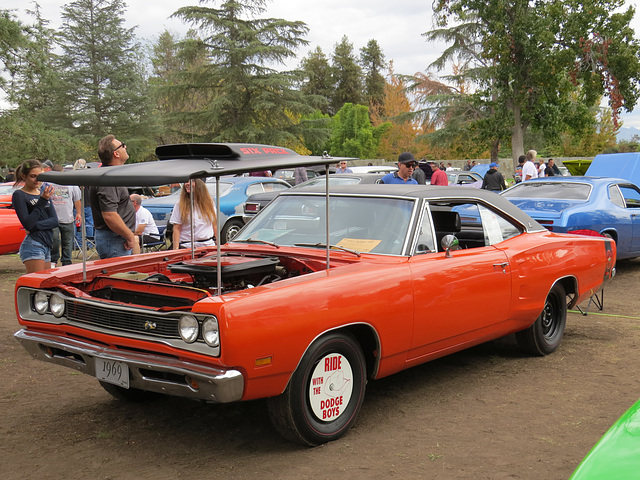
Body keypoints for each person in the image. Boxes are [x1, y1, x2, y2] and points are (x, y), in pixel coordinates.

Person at [88, 135, 136, 259]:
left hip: (115, 239)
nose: (125, 147)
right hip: (114, 240)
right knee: (117, 277)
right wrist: (130, 236)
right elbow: (109, 215)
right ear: (116, 154)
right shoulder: (108, 180)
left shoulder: (110, 176)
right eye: (122, 145)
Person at [11, 159, 59, 273]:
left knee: (45, 284)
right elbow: (27, 223)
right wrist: (42, 201)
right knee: (36, 284)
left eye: (40, 176)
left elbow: (55, 221)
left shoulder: (43, 192)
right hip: (33, 244)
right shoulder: (20, 195)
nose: (37, 180)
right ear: (24, 176)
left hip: (47, 243)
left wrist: (35, 226)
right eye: (33, 176)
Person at [170, 179, 218, 249]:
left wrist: (218, 244)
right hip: (187, 246)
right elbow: (177, 228)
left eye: (191, 181)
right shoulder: (180, 204)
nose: (187, 184)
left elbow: (214, 224)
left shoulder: (209, 202)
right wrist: (176, 249)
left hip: (208, 246)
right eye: (186, 181)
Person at [49, 164, 82, 267]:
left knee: (67, 241)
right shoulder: (48, 184)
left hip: (67, 218)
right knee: (54, 240)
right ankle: (53, 260)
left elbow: (77, 200)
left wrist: (79, 213)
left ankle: (66, 261)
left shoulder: (71, 184)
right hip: (53, 218)